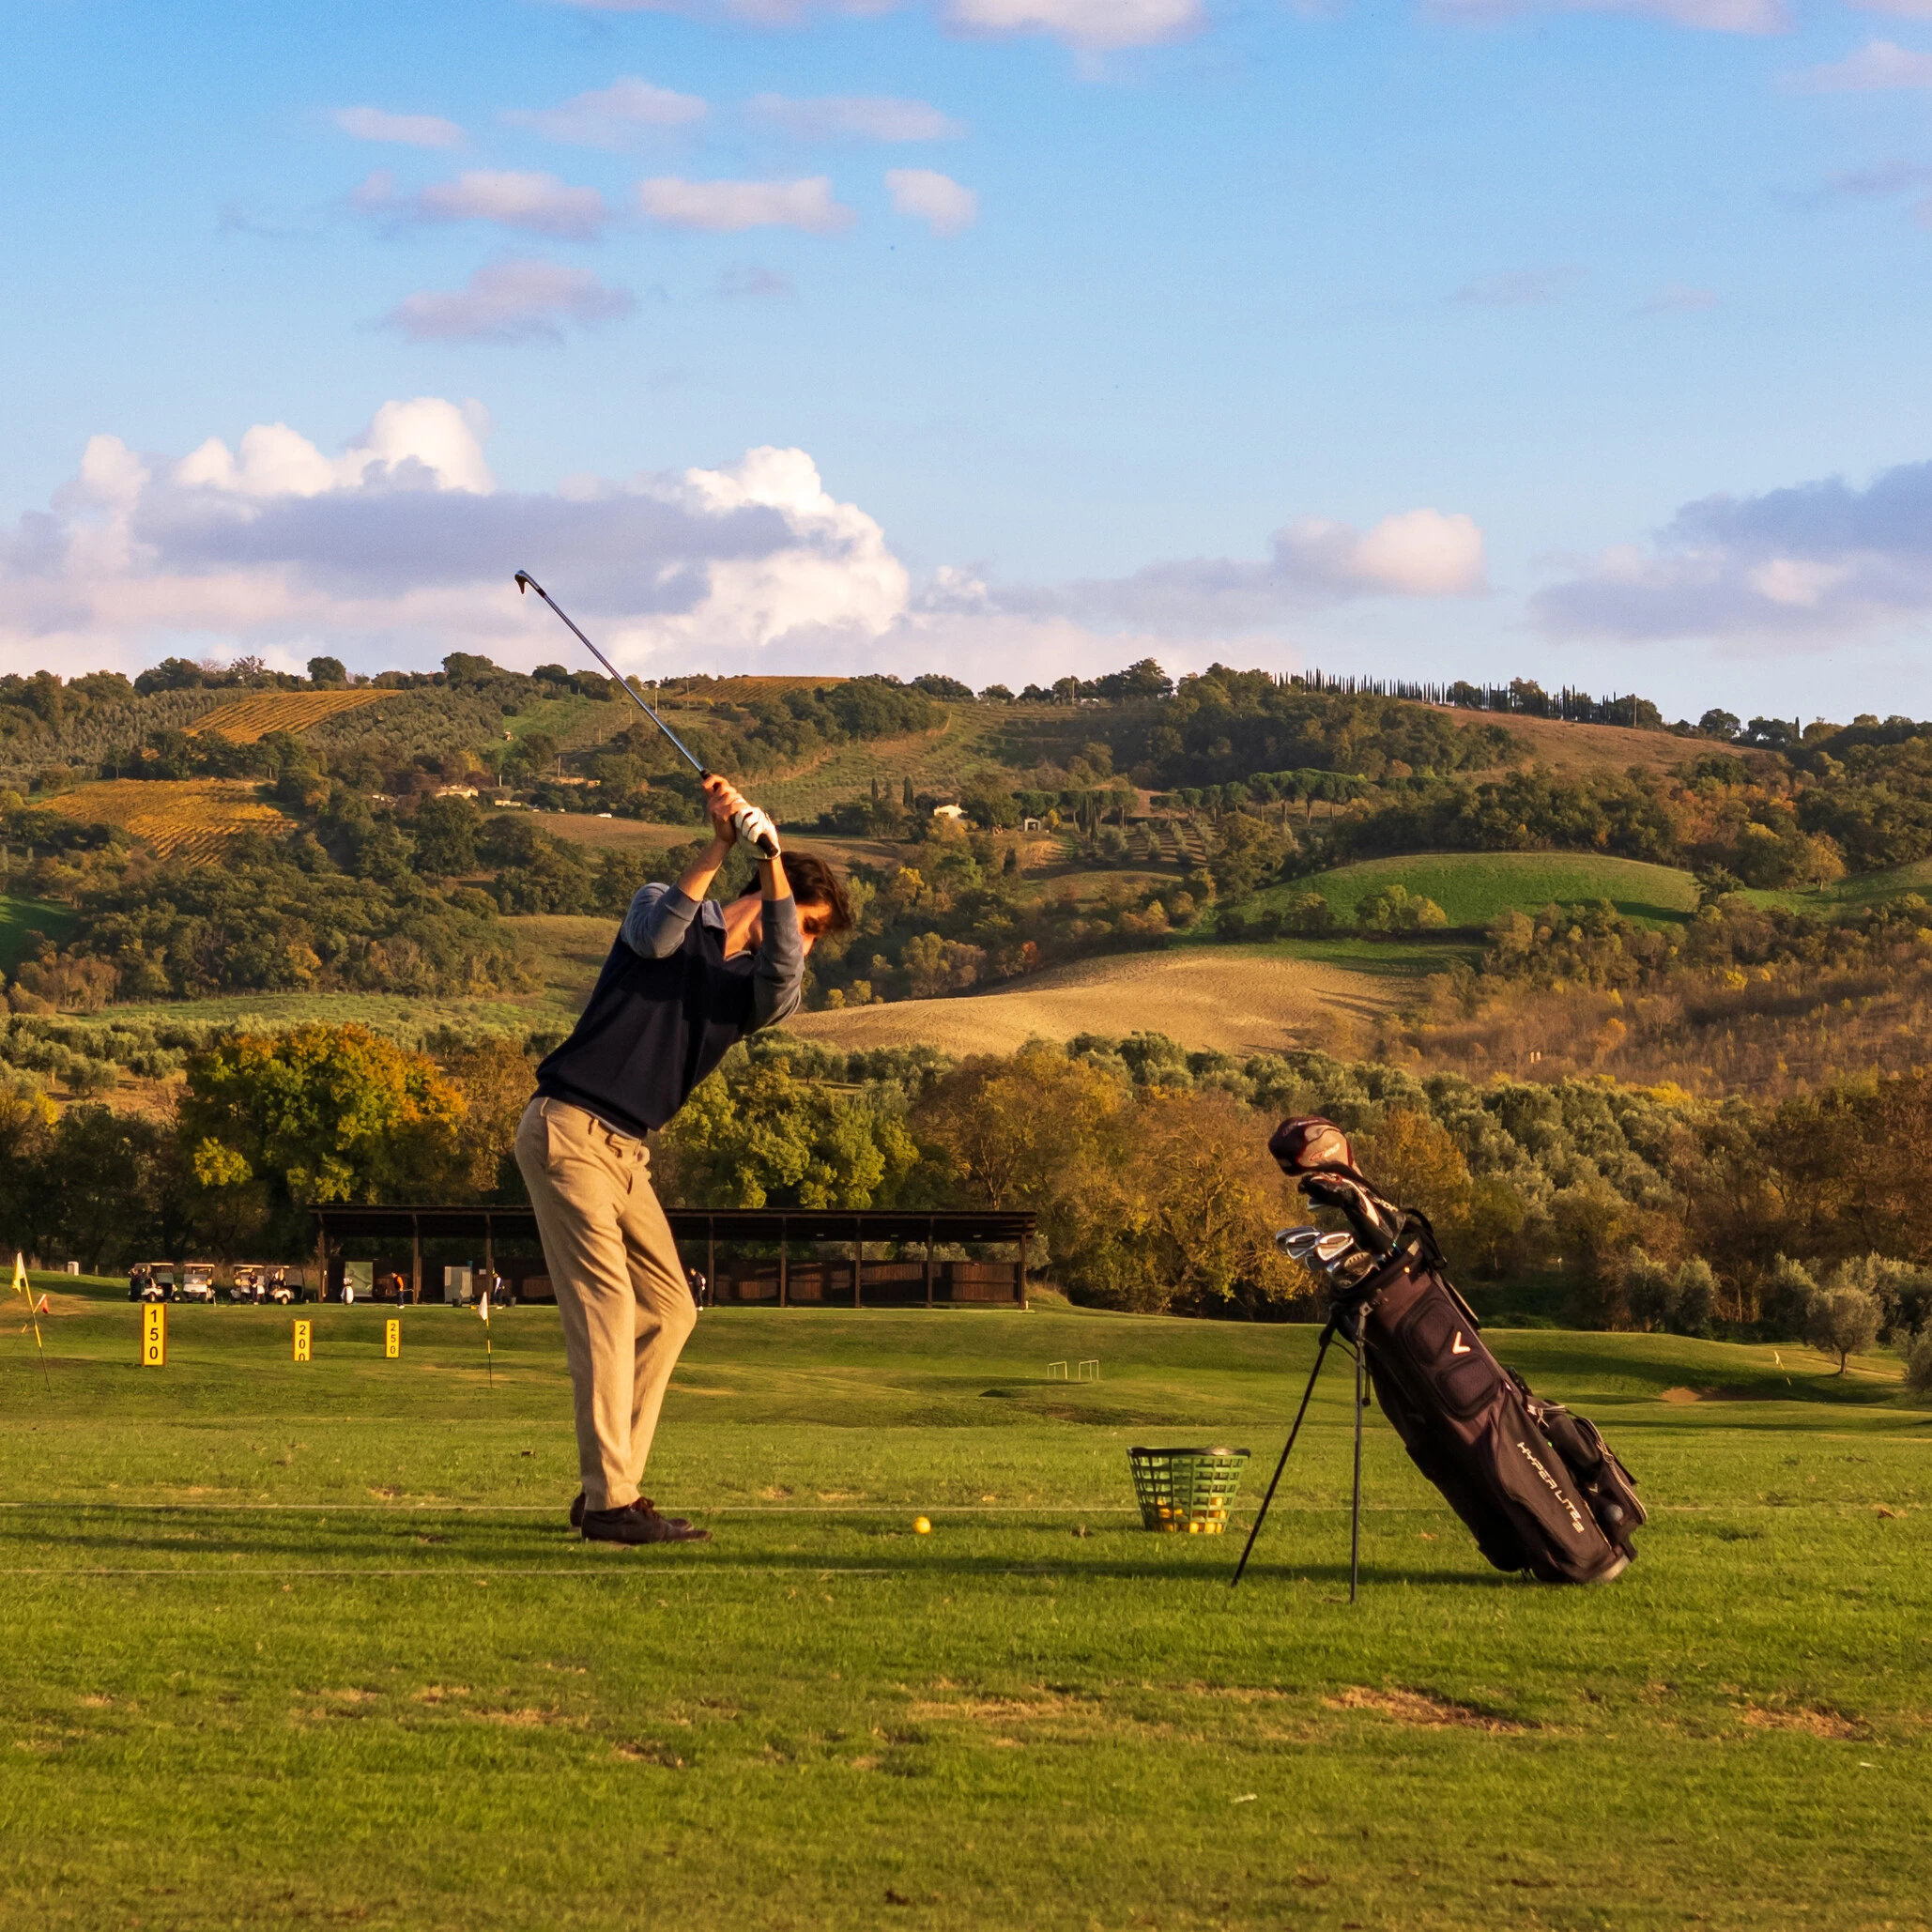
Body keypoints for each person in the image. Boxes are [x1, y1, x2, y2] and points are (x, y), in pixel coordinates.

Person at [514, 774, 852, 1547]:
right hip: (569, 1128)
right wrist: (722, 844)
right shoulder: (659, 906)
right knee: (609, 1311)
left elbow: (781, 975)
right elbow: (660, 938)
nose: (804, 944)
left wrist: (771, 861)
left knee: (671, 1308)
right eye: (808, 925)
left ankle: (609, 1488)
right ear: (770, 900)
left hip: (627, 1152)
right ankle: (611, 1502)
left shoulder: (761, 989)